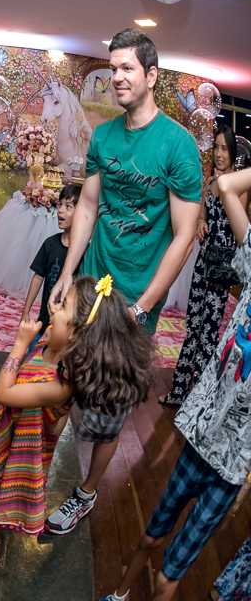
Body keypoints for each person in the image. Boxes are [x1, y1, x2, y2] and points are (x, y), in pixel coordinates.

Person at [46, 28, 202, 536]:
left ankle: (87, 491)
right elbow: (88, 205)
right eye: (112, 68)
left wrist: (143, 307)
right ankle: (38, 465)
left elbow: (183, 236)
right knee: (66, 378)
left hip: (135, 297)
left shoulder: (177, 145)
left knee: (109, 405)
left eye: (126, 68)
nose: (116, 77)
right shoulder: (105, 136)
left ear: (151, 75)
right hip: (91, 282)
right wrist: (67, 273)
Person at [0, 275, 151, 588]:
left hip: (25, 453)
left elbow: (1, 393)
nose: (53, 309)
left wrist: (19, 344)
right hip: (4, 438)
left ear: (77, 333)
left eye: (63, 307)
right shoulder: (47, 343)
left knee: (1, 499)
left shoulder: (61, 384)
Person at [100, 164, 251, 601]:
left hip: (232, 465)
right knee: (151, 535)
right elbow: (225, 184)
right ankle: (118, 596)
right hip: (201, 437)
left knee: (169, 576)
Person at [163, 124, 245, 406]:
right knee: (192, 326)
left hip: (222, 266)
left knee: (209, 332)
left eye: (225, 149)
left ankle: (199, 397)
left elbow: (241, 229)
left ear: (233, 153)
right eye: (216, 148)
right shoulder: (209, 182)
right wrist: (200, 220)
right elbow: (201, 212)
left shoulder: (237, 184)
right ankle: (178, 391)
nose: (219, 154)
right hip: (202, 262)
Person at [19, 184, 81, 335]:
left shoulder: (85, 252)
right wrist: (25, 312)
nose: (60, 210)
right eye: (60, 205)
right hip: (45, 320)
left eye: (68, 206)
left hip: (70, 328)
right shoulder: (50, 244)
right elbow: (38, 277)